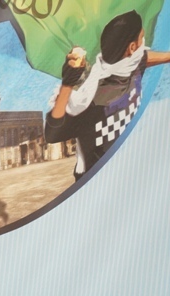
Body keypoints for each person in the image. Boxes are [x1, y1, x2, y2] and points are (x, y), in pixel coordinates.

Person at [45, 11, 170, 180]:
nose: (144, 43)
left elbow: (143, 58)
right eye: (142, 38)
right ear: (132, 47)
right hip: (95, 182)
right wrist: (67, 84)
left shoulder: (131, 64)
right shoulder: (92, 96)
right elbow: (53, 135)